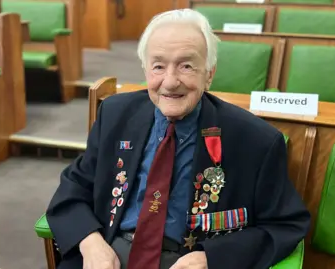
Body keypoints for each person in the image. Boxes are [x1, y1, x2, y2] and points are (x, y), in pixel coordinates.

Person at [46, 8, 310, 269]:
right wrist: (90, 242)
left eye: (186, 66)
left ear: (209, 73)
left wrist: (211, 258)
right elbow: (73, 187)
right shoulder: (116, 114)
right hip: (109, 250)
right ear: (145, 69)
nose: (170, 82)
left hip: (188, 259)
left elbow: (285, 225)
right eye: (158, 66)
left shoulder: (256, 140)